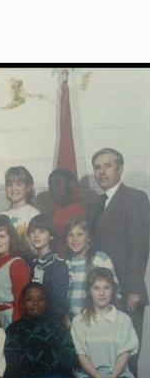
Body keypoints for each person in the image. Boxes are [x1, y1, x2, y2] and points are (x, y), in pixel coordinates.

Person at [91, 147, 150, 358]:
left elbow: (140, 246)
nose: (102, 172)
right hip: (102, 294)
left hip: (127, 292)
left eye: (108, 166)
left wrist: (133, 290)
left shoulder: (135, 197)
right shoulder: (97, 203)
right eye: (97, 167)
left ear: (120, 168)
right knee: (106, 355)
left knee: (127, 354)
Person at [4, 283, 83, 378]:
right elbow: (12, 360)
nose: (35, 303)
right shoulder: (14, 329)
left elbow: (68, 354)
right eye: (30, 299)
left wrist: (41, 361)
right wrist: (44, 359)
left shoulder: (58, 327)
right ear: (23, 303)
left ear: (47, 302)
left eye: (40, 299)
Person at [70, 267, 138, 378]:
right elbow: (81, 356)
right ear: (89, 292)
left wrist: (113, 377)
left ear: (113, 291)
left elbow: (125, 353)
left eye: (106, 288)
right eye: (96, 288)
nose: (101, 293)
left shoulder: (123, 319)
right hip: (88, 376)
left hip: (119, 373)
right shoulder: (79, 320)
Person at [64, 217, 119, 323]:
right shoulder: (66, 263)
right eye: (70, 235)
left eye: (80, 234)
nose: (74, 239)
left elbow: (115, 291)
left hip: (97, 318)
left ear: (89, 238)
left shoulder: (100, 259)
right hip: (72, 320)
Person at [0, 217, 31, 328]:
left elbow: (21, 301)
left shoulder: (16, 264)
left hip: (11, 319)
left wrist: (16, 328)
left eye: (2, 236)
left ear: (11, 239)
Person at [27, 216, 69, 323]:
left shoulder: (58, 264)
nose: (36, 235)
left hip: (51, 323)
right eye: (32, 231)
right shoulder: (32, 264)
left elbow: (59, 303)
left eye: (41, 231)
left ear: (51, 236)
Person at [0, 166, 40, 242]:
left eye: (19, 184)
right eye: (10, 185)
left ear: (28, 187)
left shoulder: (33, 213)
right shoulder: (2, 215)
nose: (14, 188)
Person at [44, 169, 85, 240]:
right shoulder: (54, 213)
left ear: (71, 185)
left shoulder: (78, 213)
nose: (53, 189)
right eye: (51, 185)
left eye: (58, 184)